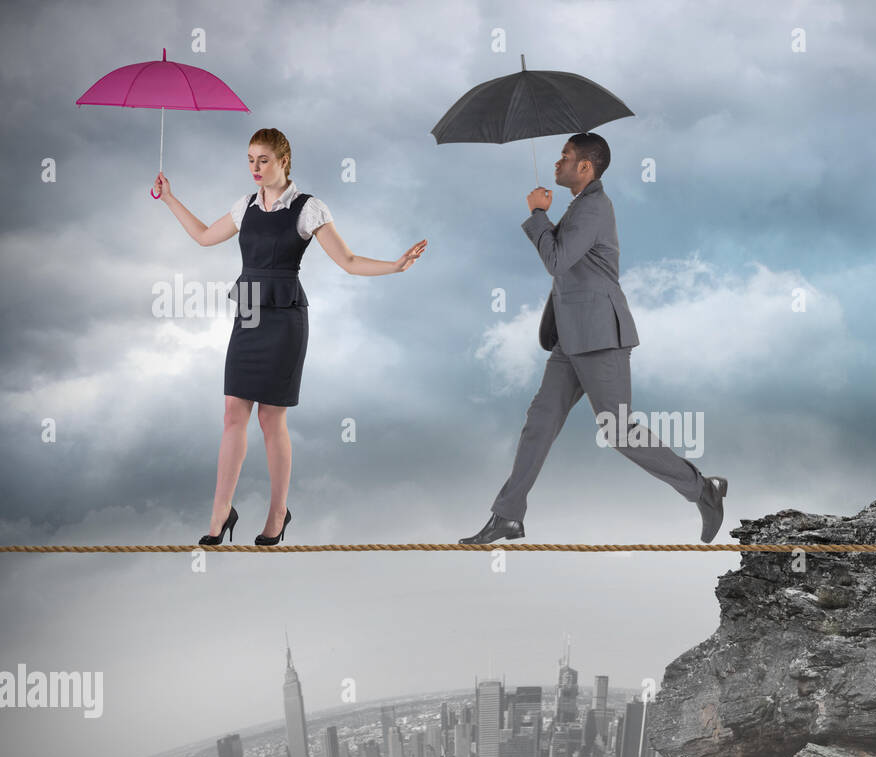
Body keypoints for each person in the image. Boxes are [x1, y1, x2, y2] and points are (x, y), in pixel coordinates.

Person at [154, 128, 426, 546]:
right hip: (247, 310)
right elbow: (205, 236)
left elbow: (349, 261)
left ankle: (278, 513)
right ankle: (220, 512)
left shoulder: (308, 207)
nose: (255, 168)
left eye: (263, 159)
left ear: (284, 160)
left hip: (285, 319)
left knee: (269, 417)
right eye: (249, 160)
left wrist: (395, 265)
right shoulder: (244, 206)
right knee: (232, 413)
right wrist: (170, 197)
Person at [460, 132, 728, 544]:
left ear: (585, 166)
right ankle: (508, 515)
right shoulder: (580, 207)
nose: (557, 163)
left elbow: (557, 260)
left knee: (619, 432)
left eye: (564, 157)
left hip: (601, 338)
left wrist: (536, 213)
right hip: (571, 339)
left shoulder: (594, 208)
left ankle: (702, 489)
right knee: (539, 423)